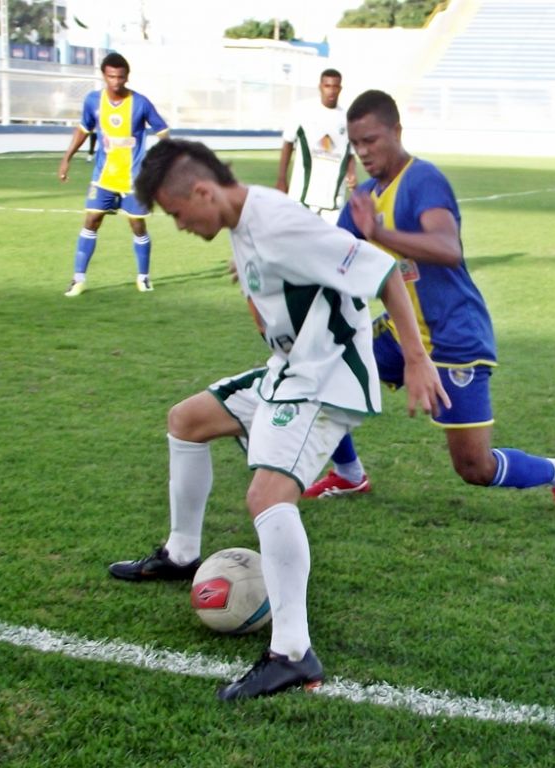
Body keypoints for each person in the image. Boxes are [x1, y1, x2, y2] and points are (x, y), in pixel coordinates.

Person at [108, 139, 448, 701]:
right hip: (291, 369)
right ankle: (181, 553)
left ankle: (293, 654)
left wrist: (415, 357)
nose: (180, 225)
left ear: (201, 191)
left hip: (326, 378)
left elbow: (383, 268)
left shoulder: (278, 223)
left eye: (176, 214)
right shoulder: (245, 223)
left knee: (267, 498)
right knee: (187, 421)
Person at [302, 90, 555, 524]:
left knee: (475, 467)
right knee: (321, 370)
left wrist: (379, 232)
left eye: (372, 141)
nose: (363, 152)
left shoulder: (423, 181)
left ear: (397, 132)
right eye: (355, 143)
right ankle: (349, 474)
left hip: (454, 335)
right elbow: (326, 249)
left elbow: (446, 247)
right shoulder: (364, 196)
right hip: (400, 333)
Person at [58, 52, 170, 297]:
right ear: (103, 76)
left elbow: (162, 130)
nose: (116, 82)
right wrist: (67, 158)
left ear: (127, 77)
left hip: (134, 177)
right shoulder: (92, 101)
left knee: (137, 225)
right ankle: (78, 279)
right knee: (91, 221)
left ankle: (143, 277)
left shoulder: (140, 103)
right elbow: (83, 129)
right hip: (104, 177)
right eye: (111, 77)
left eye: (120, 77)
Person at [275, 68, 356, 224]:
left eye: (335, 86)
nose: (331, 90)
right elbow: (288, 143)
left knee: (332, 246)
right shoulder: (302, 110)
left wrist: (352, 174)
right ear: (320, 86)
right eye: (327, 86)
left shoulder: (348, 118)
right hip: (302, 197)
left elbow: (350, 153)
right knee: (297, 244)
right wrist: (281, 178)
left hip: (333, 200)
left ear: (340, 88)